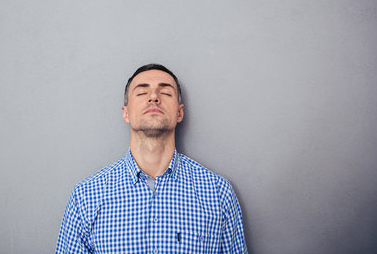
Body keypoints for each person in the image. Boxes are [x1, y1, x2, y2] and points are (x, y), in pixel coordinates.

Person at [55, 64, 248, 253]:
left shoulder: (218, 193)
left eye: (165, 93)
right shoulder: (86, 197)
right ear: (126, 113)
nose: (154, 97)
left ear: (179, 112)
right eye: (141, 93)